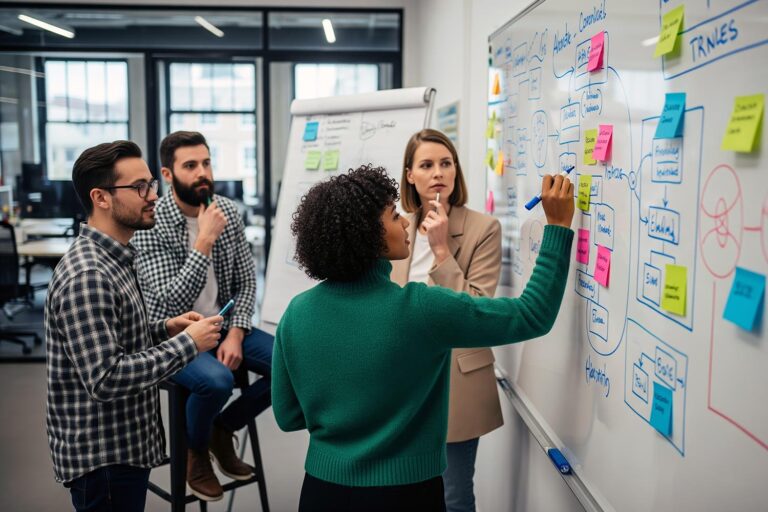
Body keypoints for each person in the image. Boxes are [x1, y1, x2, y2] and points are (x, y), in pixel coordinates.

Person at [272, 164, 575, 511]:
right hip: (406, 493)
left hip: (322, 492)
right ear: (365, 234)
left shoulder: (296, 312)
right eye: (393, 216)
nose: (404, 223)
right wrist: (558, 227)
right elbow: (531, 315)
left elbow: (287, 415)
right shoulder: (420, 308)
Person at [45, 140, 223, 512]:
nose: (153, 196)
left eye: (151, 185)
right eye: (140, 187)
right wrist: (188, 344)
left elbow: (116, 337)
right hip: (104, 461)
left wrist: (165, 328)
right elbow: (106, 377)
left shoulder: (115, 258)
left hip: (121, 448)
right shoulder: (89, 274)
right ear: (102, 198)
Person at [132, 131, 273, 502]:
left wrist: (237, 333)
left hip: (225, 323)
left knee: (294, 361)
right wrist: (204, 241)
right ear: (167, 173)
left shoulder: (227, 210)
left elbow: (246, 282)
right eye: (190, 165)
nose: (202, 173)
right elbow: (166, 303)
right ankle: (196, 451)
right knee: (217, 381)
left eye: (206, 163)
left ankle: (221, 428)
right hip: (175, 335)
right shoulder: (151, 222)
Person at [390, 129, 502, 512]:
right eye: (426, 164)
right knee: (404, 493)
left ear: (456, 170)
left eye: (445, 163)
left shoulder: (483, 229)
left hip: (455, 378)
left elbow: (476, 312)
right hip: (401, 380)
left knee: (452, 498)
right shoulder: (395, 227)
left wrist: (440, 248)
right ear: (410, 175)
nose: (438, 172)